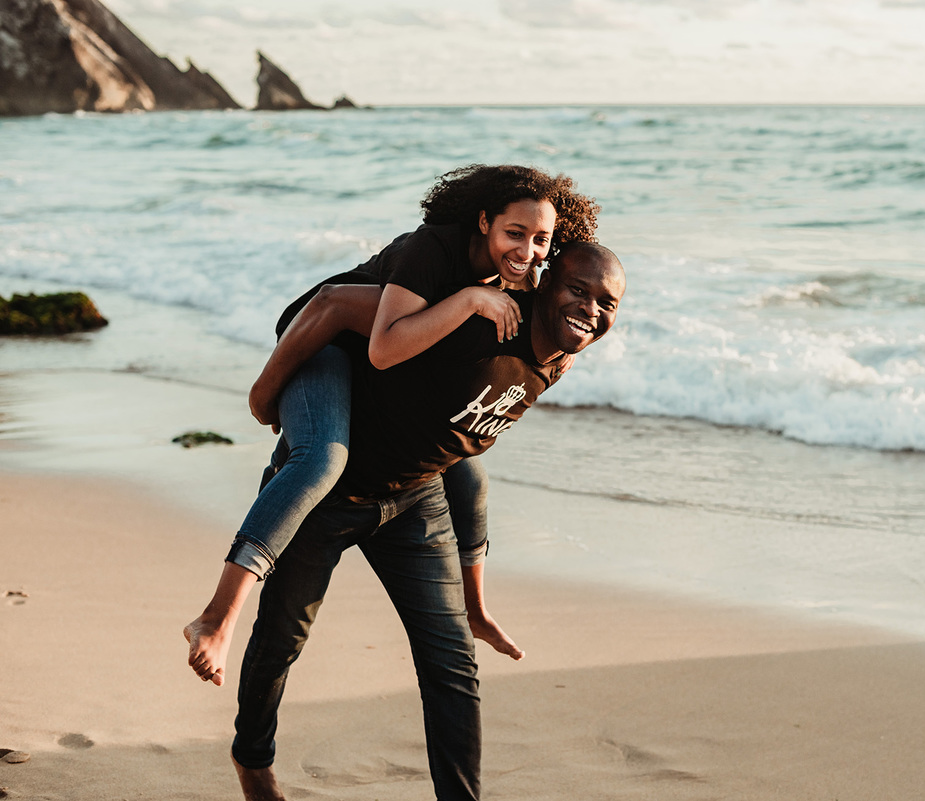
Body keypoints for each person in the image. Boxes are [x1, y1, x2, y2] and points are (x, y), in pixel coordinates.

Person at [232, 243, 625, 801]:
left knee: (452, 664)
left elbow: (463, 451)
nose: (590, 310)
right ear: (542, 283)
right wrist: (268, 399)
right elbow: (335, 307)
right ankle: (253, 761)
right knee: (281, 640)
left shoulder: (560, 356)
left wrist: (476, 597)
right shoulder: (471, 318)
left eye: (607, 302)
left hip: (414, 501)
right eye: (578, 290)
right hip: (329, 496)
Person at [184, 165, 600, 686]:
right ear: (484, 222)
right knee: (320, 460)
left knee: (468, 475)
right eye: (514, 234)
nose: (528, 250)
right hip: (322, 343)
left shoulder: (518, 279)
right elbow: (342, 315)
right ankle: (216, 618)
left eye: (542, 239)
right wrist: (265, 398)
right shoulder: (436, 254)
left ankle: (476, 609)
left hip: (369, 359)